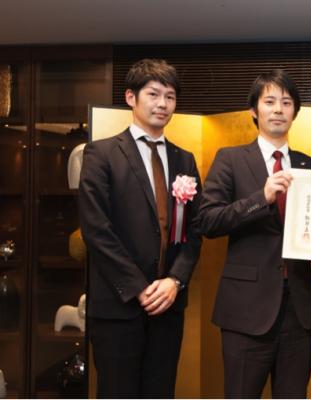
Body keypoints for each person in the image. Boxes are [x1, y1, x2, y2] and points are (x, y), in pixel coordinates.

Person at [198, 69, 311, 398]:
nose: (278, 109)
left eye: (286, 102)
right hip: (246, 309)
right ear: (254, 111)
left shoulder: (310, 164)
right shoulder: (230, 159)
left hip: (299, 307)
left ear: (295, 112)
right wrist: (262, 197)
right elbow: (208, 221)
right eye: (269, 101)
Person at [79, 59, 202, 398]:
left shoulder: (185, 159)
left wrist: (175, 281)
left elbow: (194, 230)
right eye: (154, 94)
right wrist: (138, 287)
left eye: (170, 97)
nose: (163, 104)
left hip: (168, 305)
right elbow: (96, 229)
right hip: (118, 306)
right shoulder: (101, 153)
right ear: (131, 97)